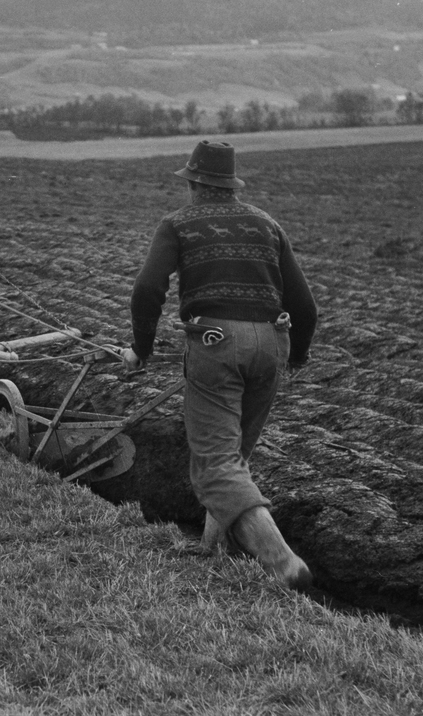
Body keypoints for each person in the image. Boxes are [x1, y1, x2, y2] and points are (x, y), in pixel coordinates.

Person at [121, 140, 317, 589]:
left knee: (215, 465)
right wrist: (299, 355)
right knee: (235, 457)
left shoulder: (177, 224)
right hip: (271, 343)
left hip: (215, 344)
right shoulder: (267, 224)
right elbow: (305, 306)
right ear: (230, 186)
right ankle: (214, 546)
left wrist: (141, 349)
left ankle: (285, 564)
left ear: (192, 183)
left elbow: (147, 291)